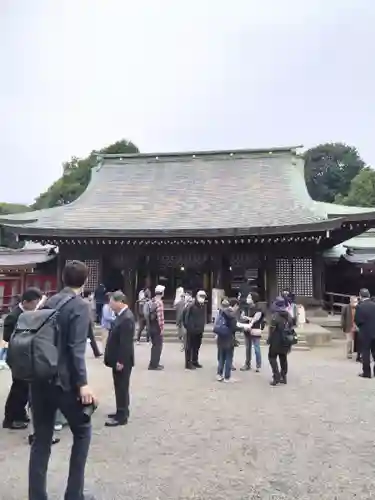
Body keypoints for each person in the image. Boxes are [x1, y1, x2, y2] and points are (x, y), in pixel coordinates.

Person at [28, 260, 97, 500]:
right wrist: (83, 384)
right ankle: (73, 494)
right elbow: (76, 348)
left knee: (41, 439)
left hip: (39, 378)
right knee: (82, 431)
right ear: (85, 280)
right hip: (64, 381)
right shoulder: (79, 305)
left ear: (63, 278)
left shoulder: (48, 301)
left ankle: (37, 496)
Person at [2, 287, 42, 430]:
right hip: (17, 357)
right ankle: (10, 418)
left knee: (25, 387)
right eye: (34, 303)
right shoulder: (14, 316)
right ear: (25, 302)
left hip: (26, 356)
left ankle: (20, 413)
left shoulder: (28, 313)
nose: (35, 306)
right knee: (18, 388)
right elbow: (7, 336)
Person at [104, 291, 135, 427]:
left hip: (122, 360)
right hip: (117, 358)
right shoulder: (121, 316)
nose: (110, 305)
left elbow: (125, 343)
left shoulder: (127, 318)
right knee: (119, 385)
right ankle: (121, 410)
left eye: (112, 302)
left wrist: (120, 361)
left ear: (119, 302)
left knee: (122, 386)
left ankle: (122, 415)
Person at [215, 298, 246, 382]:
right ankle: (227, 377)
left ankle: (219, 374)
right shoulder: (231, 315)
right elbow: (234, 327)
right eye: (237, 307)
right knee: (229, 358)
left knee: (221, 357)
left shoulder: (221, 312)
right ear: (235, 305)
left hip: (221, 338)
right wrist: (243, 328)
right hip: (229, 338)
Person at [267, 296, 294, 386]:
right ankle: (283, 376)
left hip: (276, 340)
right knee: (283, 358)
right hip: (286, 340)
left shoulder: (275, 316)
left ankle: (276, 376)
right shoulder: (289, 315)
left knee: (272, 357)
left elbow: (272, 329)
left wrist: (269, 339)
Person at [240, 292, 264, 372]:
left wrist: (246, 317)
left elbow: (255, 319)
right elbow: (242, 317)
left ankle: (258, 365)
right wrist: (243, 318)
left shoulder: (258, 309)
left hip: (255, 330)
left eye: (249, 297)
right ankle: (247, 364)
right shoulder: (246, 308)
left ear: (254, 299)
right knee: (248, 348)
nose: (247, 299)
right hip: (246, 330)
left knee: (256, 348)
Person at [354, 288, 375, 378]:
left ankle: (367, 373)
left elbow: (357, 320)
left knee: (365, 353)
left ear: (360, 296)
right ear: (369, 295)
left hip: (365, 333)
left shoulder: (360, 306)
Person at [183, 290, 207, 370]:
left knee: (197, 347)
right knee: (189, 347)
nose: (202, 298)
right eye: (201, 296)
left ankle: (195, 361)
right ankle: (188, 363)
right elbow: (185, 316)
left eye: (204, 297)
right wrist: (189, 327)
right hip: (191, 330)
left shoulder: (202, 305)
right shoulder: (191, 305)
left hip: (199, 330)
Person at [146, 284, 165, 370]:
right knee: (158, 346)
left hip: (151, 325)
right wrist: (162, 329)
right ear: (162, 293)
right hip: (157, 326)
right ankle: (154, 365)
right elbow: (160, 317)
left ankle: (153, 363)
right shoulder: (159, 302)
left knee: (154, 345)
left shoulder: (152, 301)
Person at [82, 290, 102, 358]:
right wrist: (92, 322)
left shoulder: (82, 301)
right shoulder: (87, 303)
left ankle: (96, 352)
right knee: (91, 338)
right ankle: (96, 352)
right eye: (91, 295)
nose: (92, 296)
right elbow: (89, 314)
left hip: (83, 322)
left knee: (90, 338)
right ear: (88, 295)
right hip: (87, 322)